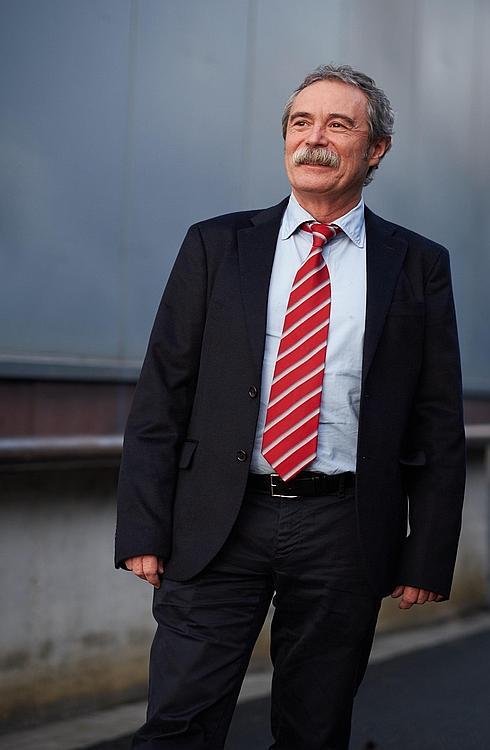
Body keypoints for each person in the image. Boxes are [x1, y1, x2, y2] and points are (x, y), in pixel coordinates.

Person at [115, 64, 466, 749]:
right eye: (301, 123)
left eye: (338, 124)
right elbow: (163, 392)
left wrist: (427, 551)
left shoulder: (418, 263)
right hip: (217, 521)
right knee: (178, 723)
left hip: (344, 527)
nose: (315, 139)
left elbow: (437, 418)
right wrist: (142, 526)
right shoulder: (216, 245)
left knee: (314, 731)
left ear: (377, 149)